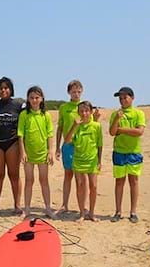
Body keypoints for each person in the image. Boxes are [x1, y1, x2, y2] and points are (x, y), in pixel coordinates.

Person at [55, 80, 100, 213]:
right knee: (68, 175)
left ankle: (84, 206)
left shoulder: (85, 107)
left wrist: (96, 118)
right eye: (73, 91)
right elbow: (60, 127)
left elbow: (92, 126)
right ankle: (65, 204)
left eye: (78, 91)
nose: (76, 94)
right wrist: (57, 147)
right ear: (69, 92)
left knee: (81, 178)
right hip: (68, 145)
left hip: (82, 146)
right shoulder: (64, 108)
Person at [17, 86, 56, 220]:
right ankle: (27, 209)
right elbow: (20, 135)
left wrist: (50, 151)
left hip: (43, 153)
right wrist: (22, 151)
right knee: (29, 180)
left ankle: (48, 208)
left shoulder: (46, 115)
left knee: (44, 180)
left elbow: (50, 134)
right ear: (28, 99)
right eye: (32, 98)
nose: (34, 100)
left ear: (42, 99)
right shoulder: (24, 115)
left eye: (37, 98)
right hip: (28, 154)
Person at [109, 87, 146, 223]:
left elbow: (139, 131)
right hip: (119, 151)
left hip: (134, 152)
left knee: (134, 181)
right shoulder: (115, 114)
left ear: (132, 98)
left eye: (125, 97)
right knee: (119, 182)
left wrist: (122, 130)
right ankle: (118, 211)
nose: (123, 100)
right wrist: (117, 122)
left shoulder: (139, 113)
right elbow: (112, 132)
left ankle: (133, 212)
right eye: (120, 98)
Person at [64, 101, 102, 222]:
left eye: (86, 111)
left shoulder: (96, 126)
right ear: (78, 113)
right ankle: (81, 213)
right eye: (81, 111)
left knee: (94, 186)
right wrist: (74, 126)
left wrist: (99, 161)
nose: (84, 113)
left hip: (92, 161)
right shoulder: (77, 125)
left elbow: (100, 145)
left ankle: (91, 213)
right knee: (80, 186)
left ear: (91, 112)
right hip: (78, 161)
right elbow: (67, 140)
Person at [0, 77, 23, 214]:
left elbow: (24, 123)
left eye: (6, 88)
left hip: (12, 143)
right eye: (1, 88)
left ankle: (17, 205)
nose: (3, 90)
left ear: (11, 89)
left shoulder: (19, 105)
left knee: (14, 174)